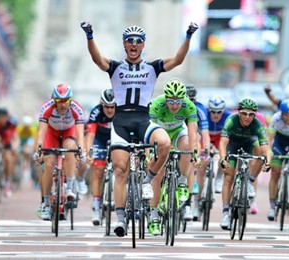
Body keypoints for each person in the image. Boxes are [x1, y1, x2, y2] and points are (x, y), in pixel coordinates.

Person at [81, 21, 198, 237]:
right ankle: (121, 220)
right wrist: (90, 36)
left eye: (138, 41)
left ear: (143, 45)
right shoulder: (116, 67)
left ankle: (147, 180)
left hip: (144, 118)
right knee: (119, 170)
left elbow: (177, 60)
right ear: (124, 44)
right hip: (121, 121)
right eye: (130, 41)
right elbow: (97, 60)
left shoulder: (152, 67)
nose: (134, 44)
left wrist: (189, 35)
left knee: (164, 143)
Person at [148, 79, 199, 235]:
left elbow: (192, 133)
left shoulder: (189, 106)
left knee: (186, 147)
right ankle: (154, 215)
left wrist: (194, 152)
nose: (175, 105)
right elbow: (148, 132)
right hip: (159, 134)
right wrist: (150, 153)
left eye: (178, 101)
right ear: (165, 98)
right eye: (171, 101)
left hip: (178, 132)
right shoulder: (157, 104)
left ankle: (182, 182)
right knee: (157, 174)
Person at [34, 83, 87, 221]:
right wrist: (38, 150)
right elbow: (41, 132)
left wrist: (82, 152)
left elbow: (80, 135)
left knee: (70, 147)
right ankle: (45, 204)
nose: (63, 105)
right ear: (54, 100)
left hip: (69, 132)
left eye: (66, 101)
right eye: (59, 101)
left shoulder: (77, 108)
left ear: (71, 100)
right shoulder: (47, 107)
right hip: (51, 133)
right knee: (49, 163)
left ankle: (69, 187)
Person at [218, 98, 271, 230]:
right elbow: (223, 143)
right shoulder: (231, 120)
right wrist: (223, 159)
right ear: (239, 112)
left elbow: (266, 148)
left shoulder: (257, 125)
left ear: (255, 114)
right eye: (244, 113)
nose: (247, 117)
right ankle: (226, 212)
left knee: (260, 150)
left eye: (251, 114)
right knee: (228, 176)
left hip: (249, 143)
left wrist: (267, 162)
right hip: (233, 144)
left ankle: (250, 181)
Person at [266, 99, 289, 221]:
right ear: (281, 113)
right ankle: (272, 206)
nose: (288, 118)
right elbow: (269, 139)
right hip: (279, 143)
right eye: (286, 115)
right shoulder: (275, 118)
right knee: (275, 173)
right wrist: (268, 153)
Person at [86, 89, 116, 226]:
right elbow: (90, 135)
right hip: (100, 140)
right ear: (101, 105)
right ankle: (97, 205)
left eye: (112, 107)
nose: (109, 110)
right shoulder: (96, 112)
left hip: (116, 139)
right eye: (106, 107)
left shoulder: (121, 112)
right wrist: (88, 152)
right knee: (97, 169)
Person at [185, 83, 211, 221]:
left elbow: (205, 133)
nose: (190, 102)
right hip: (178, 135)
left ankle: (194, 204)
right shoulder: (176, 107)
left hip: (194, 137)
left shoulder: (200, 109)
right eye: (187, 99)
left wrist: (205, 151)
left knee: (199, 162)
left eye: (193, 100)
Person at [0, 107, 19, 197]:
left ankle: (8, 181)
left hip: (7, 142)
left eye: (4, 117)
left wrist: (15, 146)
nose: (2, 119)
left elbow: (16, 138)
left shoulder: (11, 123)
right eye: (0, 116)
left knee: (8, 159)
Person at [207, 95, 232, 194]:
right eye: (213, 111)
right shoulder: (204, 113)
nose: (216, 114)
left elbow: (228, 136)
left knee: (223, 155)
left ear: (223, 110)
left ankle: (219, 177)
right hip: (207, 135)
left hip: (219, 136)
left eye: (219, 112)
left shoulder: (228, 116)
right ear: (209, 110)